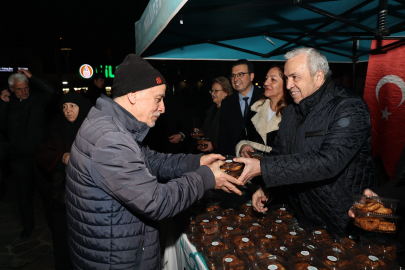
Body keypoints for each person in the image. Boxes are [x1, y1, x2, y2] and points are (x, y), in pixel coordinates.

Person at [65, 54, 243, 270]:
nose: (163, 108)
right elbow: (157, 202)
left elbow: (152, 160)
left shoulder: (115, 126)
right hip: (117, 261)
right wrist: (206, 176)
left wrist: (196, 163)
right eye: (158, 98)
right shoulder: (110, 139)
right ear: (133, 96)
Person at [236, 47, 377, 233]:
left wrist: (263, 168)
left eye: (295, 77)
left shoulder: (350, 107)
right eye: (286, 78)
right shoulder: (292, 111)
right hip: (305, 218)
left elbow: (328, 162)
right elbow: (280, 154)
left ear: (318, 77)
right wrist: (268, 188)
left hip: (344, 221)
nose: (288, 85)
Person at [35, 90, 92, 270]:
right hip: (63, 194)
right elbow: (42, 152)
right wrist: (61, 157)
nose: (68, 110)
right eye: (64, 107)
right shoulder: (56, 126)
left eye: (73, 106)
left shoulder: (93, 127)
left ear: (81, 107)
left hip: (89, 195)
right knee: (63, 235)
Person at [0, 69, 55, 239]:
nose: (24, 91)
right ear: (11, 89)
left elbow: (51, 90)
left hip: (39, 155)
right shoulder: (8, 103)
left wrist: (32, 76)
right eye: (19, 89)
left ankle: (53, 223)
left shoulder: (37, 99)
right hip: (19, 158)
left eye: (26, 87)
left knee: (47, 193)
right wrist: (3, 103)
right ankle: (27, 226)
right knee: (24, 194)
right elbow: (1, 125)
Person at [236, 65, 290, 157]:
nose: (266, 83)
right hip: (251, 166)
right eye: (266, 78)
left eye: (273, 79)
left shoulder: (292, 113)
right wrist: (243, 146)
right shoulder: (256, 108)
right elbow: (243, 136)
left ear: (286, 84)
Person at [217, 59, 264, 156]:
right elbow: (223, 137)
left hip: (261, 160)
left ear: (251, 76)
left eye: (240, 74)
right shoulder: (227, 103)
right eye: (233, 75)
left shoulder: (265, 98)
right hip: (234, 160)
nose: (235, 79)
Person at [195, 76, 232, 153]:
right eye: (211, 91)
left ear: (226, 92)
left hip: (225, 155)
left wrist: (214, 145)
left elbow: (232, 136)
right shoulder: (212, 109)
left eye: (216, 91)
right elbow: (208, 128)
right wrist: (200, 131)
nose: (212, 93)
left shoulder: (231, 111)